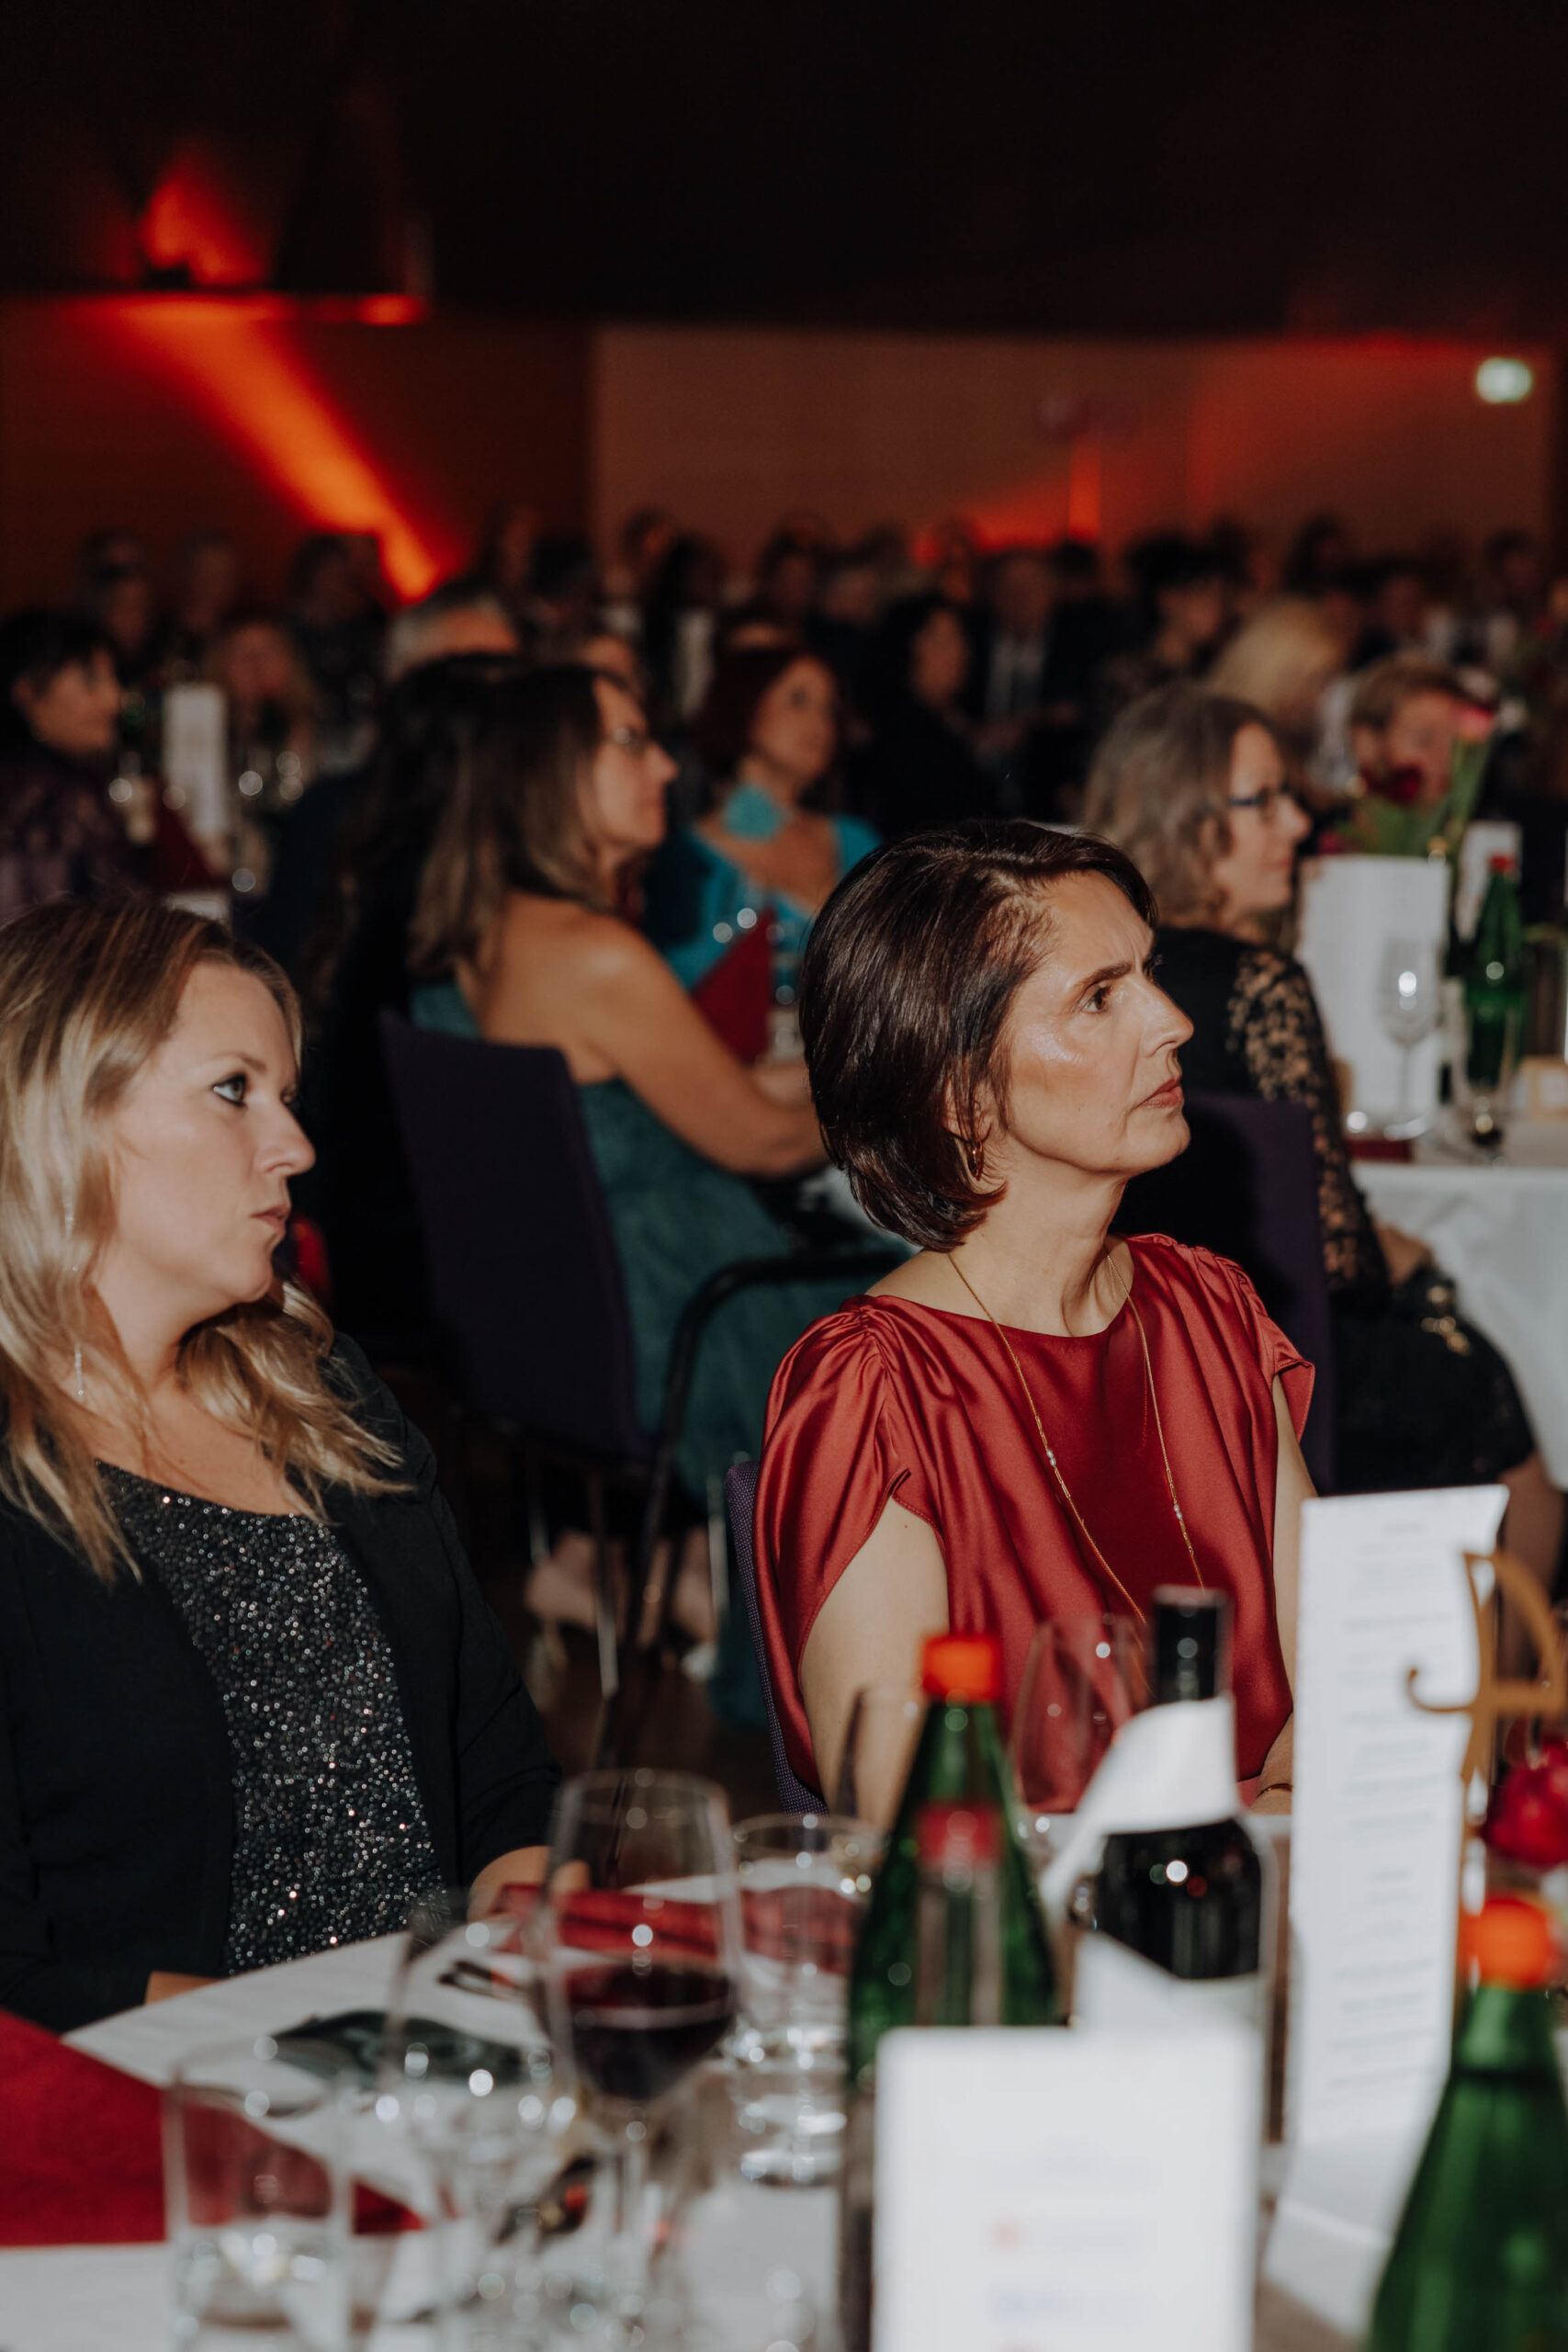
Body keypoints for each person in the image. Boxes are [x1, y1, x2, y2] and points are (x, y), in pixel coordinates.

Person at [0, 897, 558, 2033]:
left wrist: (517, 1950)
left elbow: (499, 1771)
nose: (295, 1148)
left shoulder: (320, 1395)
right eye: (233, 1090)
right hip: (168, 2098)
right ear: (66, 1114)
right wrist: (321, 2037)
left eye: (286, 1097)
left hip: (434, 2063)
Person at [754, 822, 1310, 1810]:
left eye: (1148, 973)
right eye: (1100, 996)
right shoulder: (877, 1394)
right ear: (960, 1094)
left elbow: (1336, 1681)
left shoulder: (1210, 1311)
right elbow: (908, 1817)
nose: (1174, 1021)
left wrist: (1267, 1830)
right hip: (1023, 1900)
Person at [403, 664, 861, 1721]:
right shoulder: (593, 955)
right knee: (926, 1310)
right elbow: (758, 1137)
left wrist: (847, 1071)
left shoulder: (486, 932)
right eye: (629, 742)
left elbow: (710, 1086)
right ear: (550, 773)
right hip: (677, 1319)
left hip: (557, 1324)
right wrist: (916, 1095)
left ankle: (668, 1574)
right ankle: (842, 1642)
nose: (663, 765)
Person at [1085, 684, 1561, 1586]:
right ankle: (1507, 1674)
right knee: (1493, 1393)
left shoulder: (1095, 986)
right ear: (1183, 818)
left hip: (1132, 1353)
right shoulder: (1261, 984)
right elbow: (1335, 1256)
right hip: (1274, 1361)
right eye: (1262, 801)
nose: (1297, 823)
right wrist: (1404, 1259)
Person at [642, 643, 879, 1043]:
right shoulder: (686, 855)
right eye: (798, 700)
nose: (820, 722)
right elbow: (671, 997)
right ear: (747, 706)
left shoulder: (856, 841)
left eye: (829, 709)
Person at [0, 607, 145, 922]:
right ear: (28, 693)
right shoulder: (58, 794)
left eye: (113, 679)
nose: (114, 698)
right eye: (91, 682)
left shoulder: (26, 783)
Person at [849, 594, 996, 837]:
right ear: (907, 648)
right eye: (941, 641)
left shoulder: (956, 723)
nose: (959, 653)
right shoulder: (900, 734)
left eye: (960, 638)